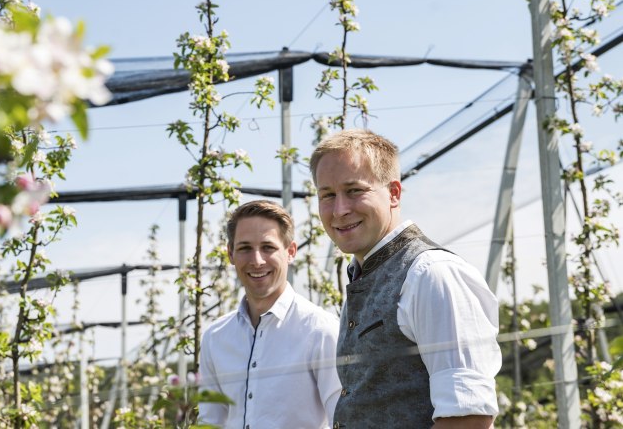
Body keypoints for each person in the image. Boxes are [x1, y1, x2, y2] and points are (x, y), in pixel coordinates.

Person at [310, 129, 501, 429]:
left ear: (394, 193)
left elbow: (468, 417)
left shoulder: (431, 273)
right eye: (327, 195)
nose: (340, 209)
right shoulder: (364, 274)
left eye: (354, 190)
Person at [198, 200, 342, 429]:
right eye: (245, 248)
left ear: (290, 252)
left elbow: (343, 420)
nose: (257, 261)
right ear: (231, 254)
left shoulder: (321, 331)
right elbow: (209, 422)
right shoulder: (215, 338)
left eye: (268, 247)